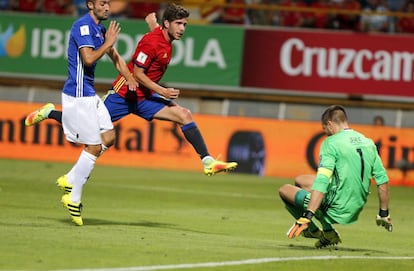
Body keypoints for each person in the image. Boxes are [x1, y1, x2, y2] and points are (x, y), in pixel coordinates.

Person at [25, 5, 237, 177]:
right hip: (124, 94)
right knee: (87, 127)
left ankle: (207, 161)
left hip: (144, 98)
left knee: (184, 115)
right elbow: (137, 73)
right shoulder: (152, 43)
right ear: (168, 24)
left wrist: (151, 20)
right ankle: (50, 112)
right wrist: (161, 91)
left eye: (184, 24)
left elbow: (155, 27)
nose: (182, 28)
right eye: (179, 24)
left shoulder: (163, 36)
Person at [24, 0, 139, 226]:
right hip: (77, 94)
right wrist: (107, 44)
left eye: (109, 3)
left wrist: (129, 76)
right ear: (90, 5)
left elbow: (115, 56)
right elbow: (88, 59)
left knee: (109, 138)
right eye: (103, 3)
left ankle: (52, 119)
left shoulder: (100, 29)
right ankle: (73, 197)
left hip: (88, 92)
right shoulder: (82, 26)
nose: (108, 7)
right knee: (94, 146)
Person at [279, 105, 393, 248]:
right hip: (357, 203)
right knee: (300, 180)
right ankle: (325, 230)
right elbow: (382, 180)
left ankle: (315, 230)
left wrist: (308, 214)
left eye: (324, 129)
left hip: (338, 208)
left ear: (330, 124)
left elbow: (322, 180)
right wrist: (384, 212)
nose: (325, 133)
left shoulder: (331, 143)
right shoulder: (367, 142)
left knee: (284, 190)